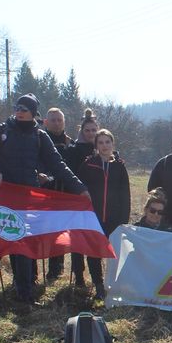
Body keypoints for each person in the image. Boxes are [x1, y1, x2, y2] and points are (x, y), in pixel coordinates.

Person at [0, 94, 89, 307]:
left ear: (33, 113)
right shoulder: (0, 131)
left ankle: (25, 295)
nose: (19, 111)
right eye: (17, 107)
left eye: (24, 108)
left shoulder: (40, 136)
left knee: (23, 245)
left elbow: (58, 165)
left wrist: (79, 188)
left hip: (27, 198)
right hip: (2, 195)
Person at [74, 128, 130, 300]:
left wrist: (124, 219)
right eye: (101, 142)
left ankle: (113, 283)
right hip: (93, 217)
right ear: (96, 145)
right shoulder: (88, 164)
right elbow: (79, 190)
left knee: (114, 253)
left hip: (114, 217)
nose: (104, 146)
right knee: (94, 252)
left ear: (112, 144)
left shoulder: (119, 166)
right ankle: (98, 284)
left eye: (107, 142)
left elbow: (125, 195)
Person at [59, 109, 101, 286]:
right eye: (87, 130)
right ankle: (79, 278)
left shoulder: (103, 149)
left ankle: (97, 279)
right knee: (77, 241)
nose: (91, 134)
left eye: (93, 130)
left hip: (97, 201)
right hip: (77, 200)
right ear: (81, 131)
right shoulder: (73, 151)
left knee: (92, 239)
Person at [42, 107, 75, 283]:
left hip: (65, 193)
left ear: (64, 122)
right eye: (53, 120)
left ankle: (56, 270)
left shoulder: (71, 143)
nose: (56, 123)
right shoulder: (39, 140)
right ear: (46, 122)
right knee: (42, 232)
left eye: (59, 120)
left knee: (60, 232)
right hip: (44, 194)